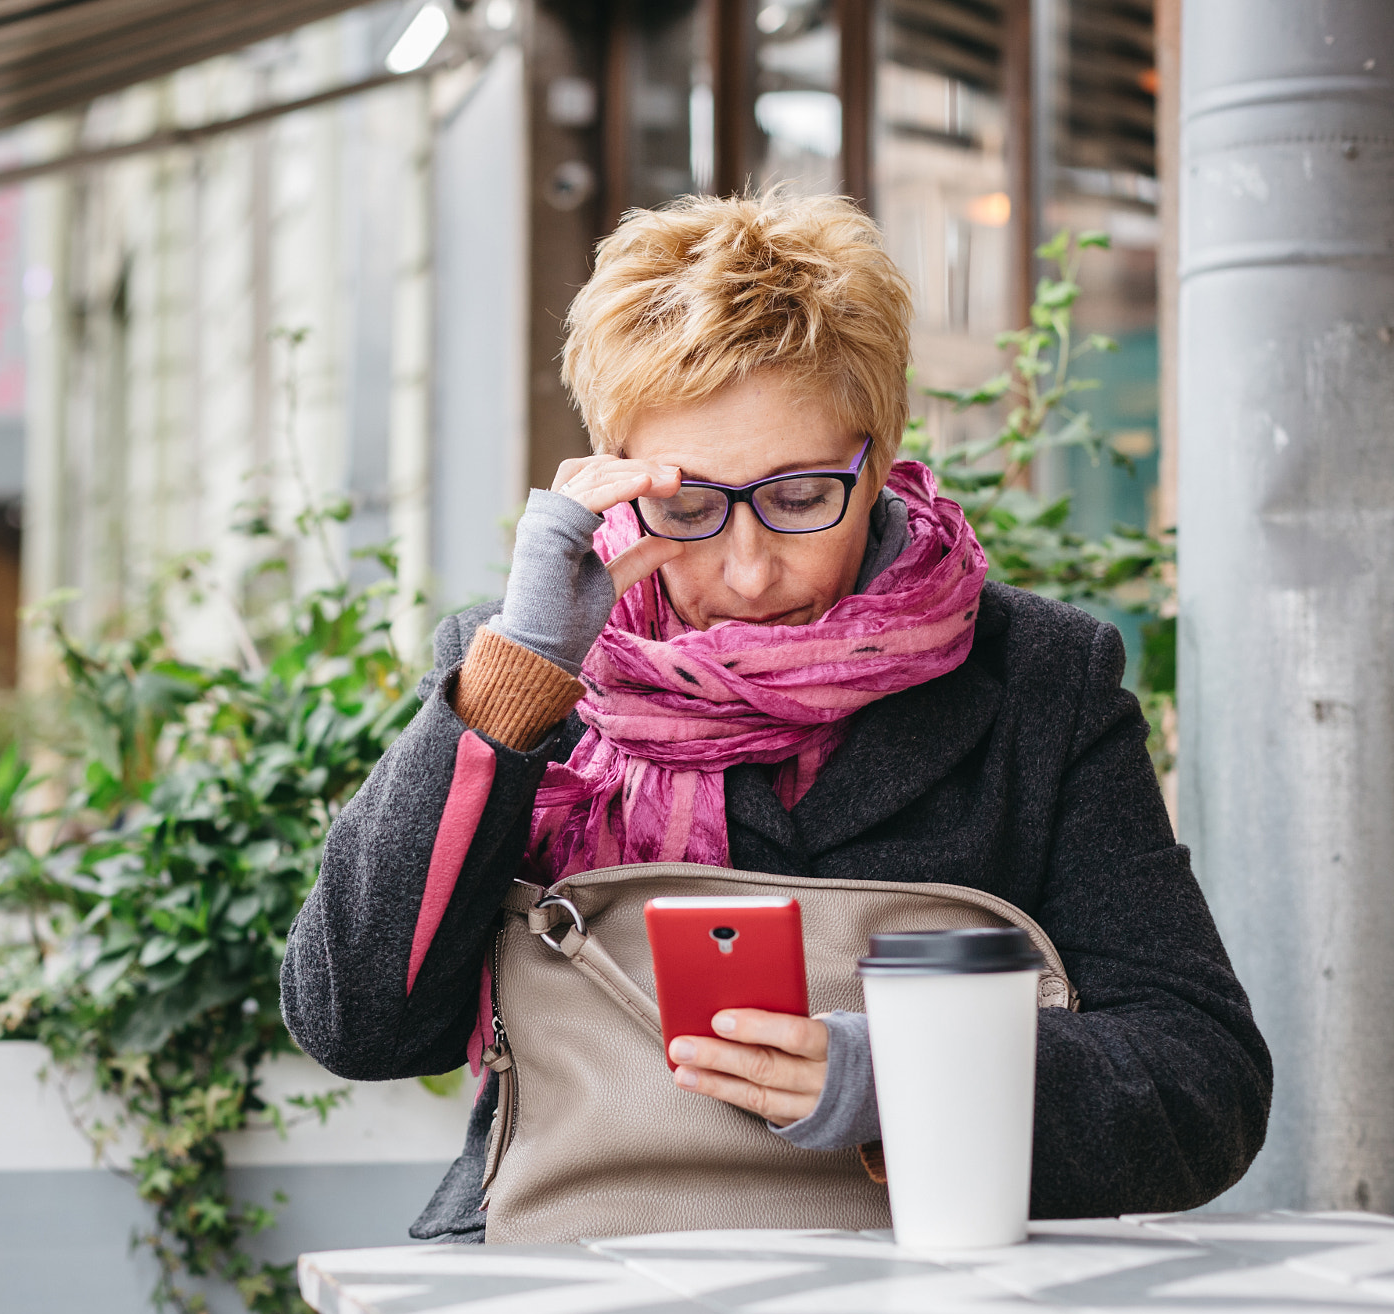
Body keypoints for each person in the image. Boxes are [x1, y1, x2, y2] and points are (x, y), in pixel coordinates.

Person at [280, 192, 1271, 1244]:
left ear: (877, 457)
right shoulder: (526, 670)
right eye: (685, 504)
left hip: (933, 1296)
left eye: (799, 497)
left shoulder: (1036, 677)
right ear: (612, 483)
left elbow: (1201, 1080)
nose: (747, 570)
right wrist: (519, 679)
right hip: (570, 1270)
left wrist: (904, 1081)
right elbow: (357, 1024)